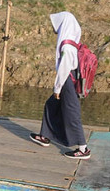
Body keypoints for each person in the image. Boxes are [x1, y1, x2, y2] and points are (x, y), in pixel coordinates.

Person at [30, 12, 91, 159]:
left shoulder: (67, 46)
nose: (54, 27)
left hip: (67, 82)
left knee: (72, 113)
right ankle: (45, 135)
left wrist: (57, 88)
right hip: (68, 80)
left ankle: (83, 148)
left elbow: (64, 70)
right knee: (52, 105)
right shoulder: (70, 42)